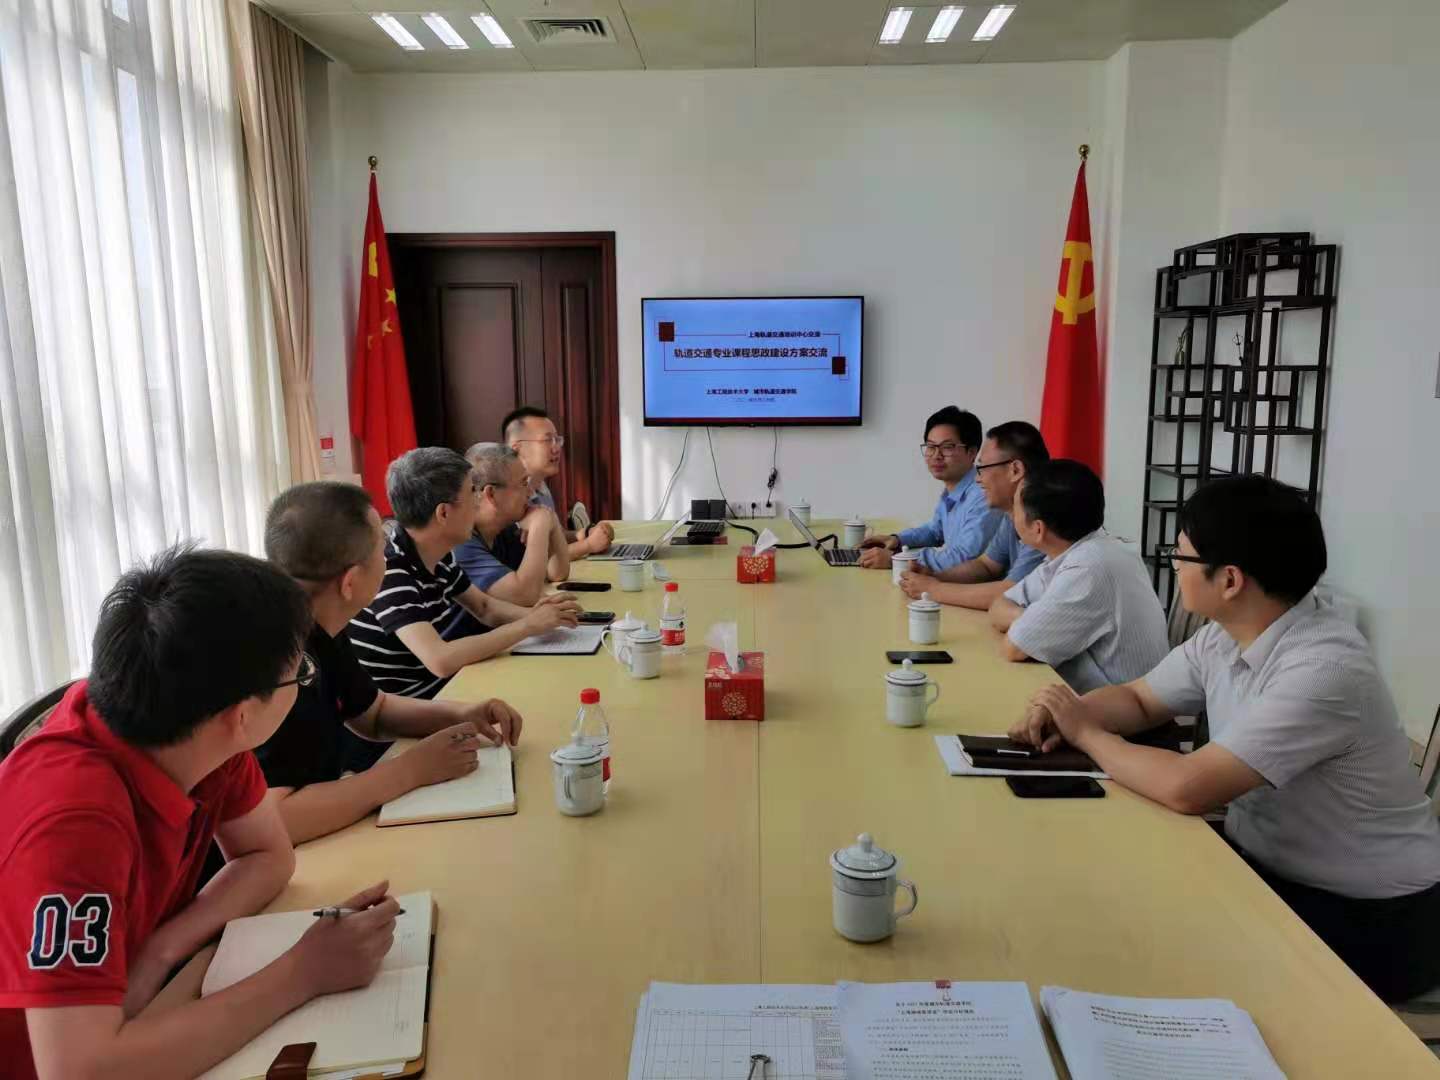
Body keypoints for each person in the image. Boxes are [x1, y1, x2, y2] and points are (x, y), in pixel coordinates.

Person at [1010, 475, 1440, 1002]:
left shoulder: (1324, 669)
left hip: (1370, 919)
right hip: (1264, 868)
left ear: (1230, 579)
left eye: (1181, 555)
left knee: (1143, 951)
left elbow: (1189, 787)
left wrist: (1086, 732)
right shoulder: (1225, 634)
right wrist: (1069, 712)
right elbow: (1141, 700)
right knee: (1096, 898)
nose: (1174, 565)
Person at [0, 547, 402, 1080]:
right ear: (242, 715)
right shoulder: (72, 823)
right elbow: (79, 1070)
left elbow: (269, 858)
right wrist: (304, 972)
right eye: (300, 673)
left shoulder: (190, 726)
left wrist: (162, 949)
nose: (305, 680)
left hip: (149, 1003)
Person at [260, 481, 526, 844]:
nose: (389, 558)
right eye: (382, 549)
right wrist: (411, 770)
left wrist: (461, 714)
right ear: (350, 582)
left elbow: (374, 713)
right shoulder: (278, 661)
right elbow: (275, 820)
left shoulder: (322, 626)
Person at [348, 447, 582, 701]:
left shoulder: (437, 554)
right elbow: (440, 660)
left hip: (447, 688)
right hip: (417, 705)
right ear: (443, 513)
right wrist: (527, 625)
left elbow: (485, 607)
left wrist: (546, 616)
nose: (479, 501)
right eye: (472, 492)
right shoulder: (391, 571)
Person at [988, 460, 1168, 692]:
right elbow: (999, 605)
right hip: (1093, 702)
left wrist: (1036, 624)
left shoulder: (1091, 565)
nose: (1012, 516)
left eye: (1015, 508)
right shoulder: (1077, 551)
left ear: (1038, 529)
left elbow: (1014, 648)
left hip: (1121, 712)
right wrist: (1033, 619)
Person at [900, 421, 1049, 609]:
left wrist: (934, 589)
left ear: (1015, 470)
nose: (978, 479)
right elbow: (986, 565)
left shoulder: (1044, 518)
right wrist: (935, 577)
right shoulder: (1012, 514)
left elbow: (1012, 592)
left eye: (983, 468)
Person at [857, 406, 1000, 572]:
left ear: (972, 452)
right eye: (931, 447)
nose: (936, 455)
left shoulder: (984, 495)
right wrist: (897, 540)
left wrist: (897, 560)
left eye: (947, 447)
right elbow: (934, 532)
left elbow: (965, 556)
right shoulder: (953, 489)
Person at [454, 442, 569, 605]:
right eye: (523, 483)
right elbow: (525, 596)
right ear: (491, 494)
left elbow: (557, 573)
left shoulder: (504, 529)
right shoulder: (461, 543)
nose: (530, 492)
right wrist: (539, 525)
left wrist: (552, 521)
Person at [502, 405, 614, 559]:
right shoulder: (507, 497)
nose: (556, 448)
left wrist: (585, 533)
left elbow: (556, 535)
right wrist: (588, 545)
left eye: (557, 440)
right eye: (548, 440)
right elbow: (534, 559)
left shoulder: (541, 486)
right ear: (517, 449)